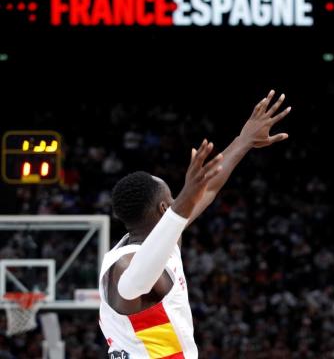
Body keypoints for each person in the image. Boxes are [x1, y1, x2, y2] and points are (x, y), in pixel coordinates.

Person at [98, 90, 291, 359]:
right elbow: (133, 285)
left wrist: (244, 140)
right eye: (173, 198)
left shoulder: (164, 239)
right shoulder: (123, 264)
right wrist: (185, 200)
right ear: (165, 209)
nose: (180, 201)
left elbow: (208, 190)